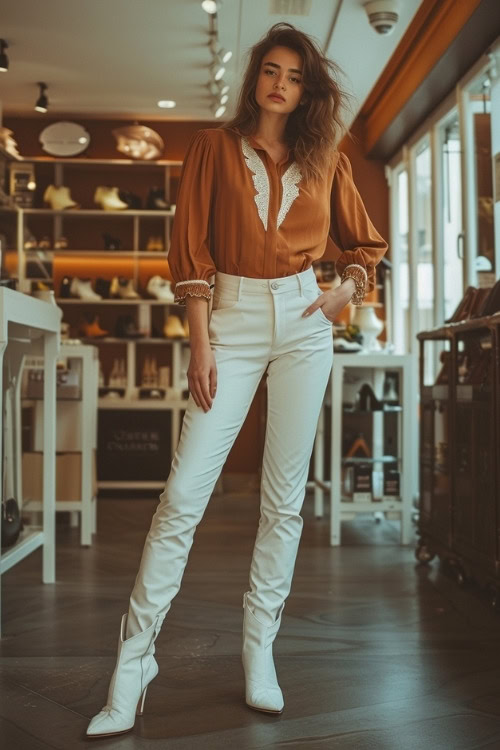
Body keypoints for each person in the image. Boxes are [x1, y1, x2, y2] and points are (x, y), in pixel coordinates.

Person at [86, 22, 388, 738]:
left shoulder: (326, 157)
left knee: (284, 502)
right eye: (271, 71)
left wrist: (344, 292)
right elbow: (189, 245)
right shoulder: (213, 149)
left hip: (304, 319)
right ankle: (132, 662)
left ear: (306, 88)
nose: (280, 85)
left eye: (294, 76)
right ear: (255, 77)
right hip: (230, 318)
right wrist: (200, 344)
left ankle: (261, 651)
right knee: (183, 495)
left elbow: (364, 243)